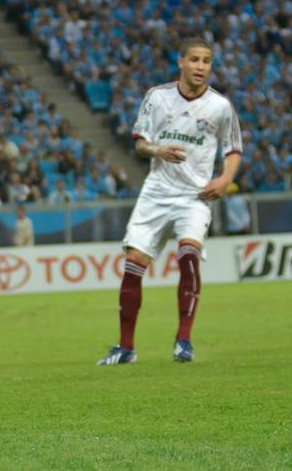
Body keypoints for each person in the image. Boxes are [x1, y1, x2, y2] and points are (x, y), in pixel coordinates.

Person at [97, 37, 242, 366]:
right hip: (157, 192)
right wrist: (158, 150)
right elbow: (139, 144)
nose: (201, 67)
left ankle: (183, 341)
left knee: (188, 254)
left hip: (195, 195)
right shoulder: (158, 97)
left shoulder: (221, 107)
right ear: (181, 62)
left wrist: (225, 178)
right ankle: (126, 348)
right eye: (195, 60)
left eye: (206, 61)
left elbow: (233, 149)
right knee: (134, 264)